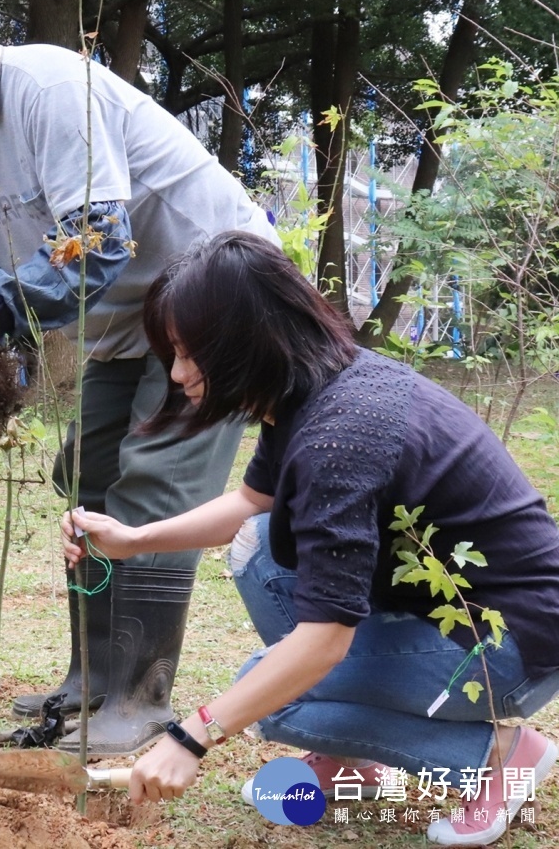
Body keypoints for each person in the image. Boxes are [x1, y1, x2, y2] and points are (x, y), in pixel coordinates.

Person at [0, 12, 278, 755]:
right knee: (86, 475)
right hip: (134, 324)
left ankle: (138, 697)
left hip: (220, 301)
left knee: (153, 480)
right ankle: (92, 679)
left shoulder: (48, 88)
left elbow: (100, 239)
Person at [61, 231, 559, 846]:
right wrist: (133, 539)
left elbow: (323, 642)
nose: (179, 372)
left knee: (275, 699)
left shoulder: (341, 438)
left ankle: (499, 755)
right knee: (259, 544)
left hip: (510, 645)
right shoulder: (308, 389)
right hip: (446, 610)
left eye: (191, 353)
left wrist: (191, 736)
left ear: (245, 341)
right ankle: (351, 756)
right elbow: (251, 503)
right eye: (173, 353)